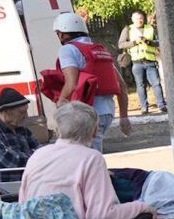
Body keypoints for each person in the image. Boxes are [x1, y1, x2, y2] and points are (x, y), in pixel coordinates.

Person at [19, 102, 150, 219]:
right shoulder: (91, 158)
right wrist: (142, 207)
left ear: (57, 130)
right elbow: (102, 216)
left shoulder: (38, 154)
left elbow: (22, 202)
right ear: (94, 131)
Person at [52, 12, 131, 151]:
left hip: (86, 113)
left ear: (62, 34)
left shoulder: (68, 49)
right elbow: (122, 85)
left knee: (85, 157)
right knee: (89, 154)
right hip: (107, 113)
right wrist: (124, 117)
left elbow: (71, 84)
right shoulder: (99, 50)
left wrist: (61, 102)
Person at [117, 10, 165, 115]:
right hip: (137, 62)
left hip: (150, 61)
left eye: (141, 18)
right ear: (133, 19)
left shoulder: (150, 28)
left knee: (156, 83)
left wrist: (149, 42)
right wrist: (135, 42)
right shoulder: (128, 29)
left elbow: (160, 41)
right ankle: (144, 107)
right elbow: (121, 44)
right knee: (140, 85)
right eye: (137, 18)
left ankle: (161, 105)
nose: (139, 20)